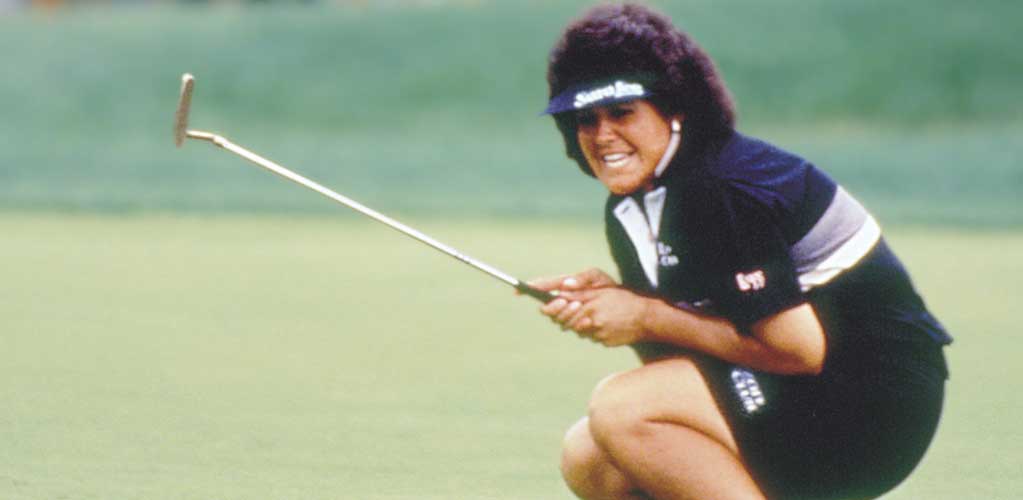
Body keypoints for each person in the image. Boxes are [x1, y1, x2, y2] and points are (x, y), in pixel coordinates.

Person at [528, 4, 952, 500]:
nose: (603, 136)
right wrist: (616, 306)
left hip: (871, 409)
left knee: (623, 409)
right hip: (795, 391)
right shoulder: (634, 205)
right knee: (589, 457)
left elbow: (798, 351)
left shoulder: (722, 190)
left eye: (622, 112)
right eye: (585, 119)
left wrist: (644, 315)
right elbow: (679, 355)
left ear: (674, 109)